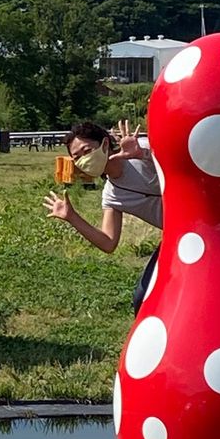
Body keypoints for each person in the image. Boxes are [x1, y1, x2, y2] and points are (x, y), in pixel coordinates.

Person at [43, 117, 162, 312]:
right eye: (77, 157)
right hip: (176, 236)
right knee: (142, 299)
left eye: (87, 151)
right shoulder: (111, 195)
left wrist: (145, 154)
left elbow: (188, 162)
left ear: (105, 144)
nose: (84, 159)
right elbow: (108, 242)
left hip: (214, 217)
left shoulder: (139, 150)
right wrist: (72, 217)